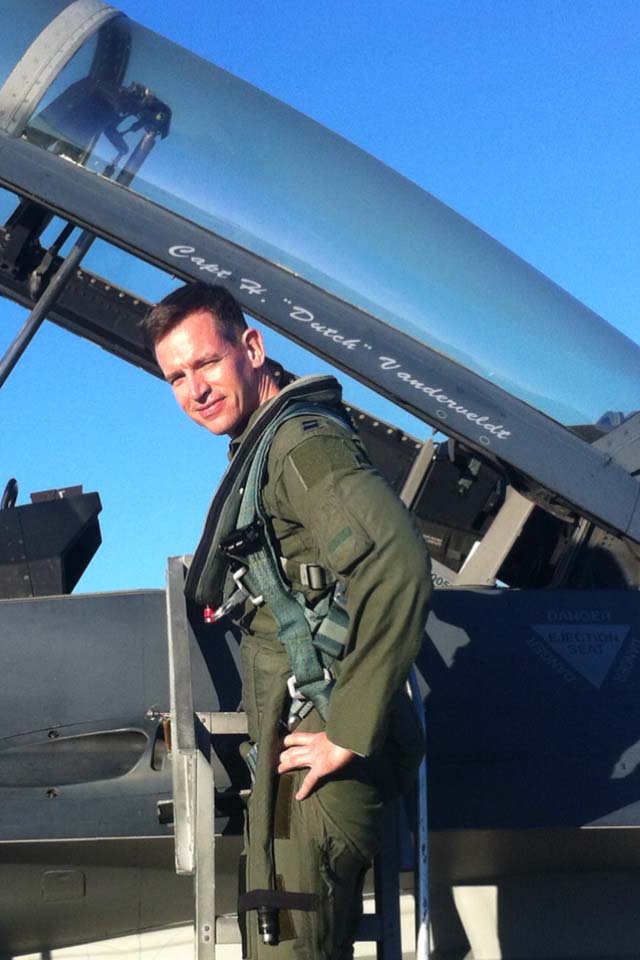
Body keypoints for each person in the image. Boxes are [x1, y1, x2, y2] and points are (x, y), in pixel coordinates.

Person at [144, 282, 431, 960]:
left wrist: (348, 729)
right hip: (293, 753)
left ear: (251, 348)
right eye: (176, 377)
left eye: (207, 363)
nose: (196, 389)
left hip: (317, 758)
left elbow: (398, 563)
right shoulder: (262, 447)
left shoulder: (300, 447)